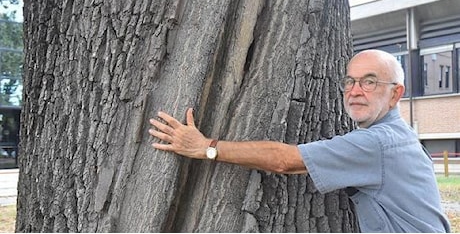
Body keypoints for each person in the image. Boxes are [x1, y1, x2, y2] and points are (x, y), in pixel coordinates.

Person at [148, 49, 451, 232]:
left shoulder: (379, 143)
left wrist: (206, 147)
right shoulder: (393, 137)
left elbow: (286, 160)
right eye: (350, 81)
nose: (355, 90)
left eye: (370, 82)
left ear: (396, 93)